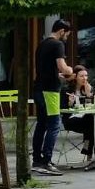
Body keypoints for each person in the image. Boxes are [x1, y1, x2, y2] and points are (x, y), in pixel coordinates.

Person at [32, 19, 75, 175]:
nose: (66, 38)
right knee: (54, 124)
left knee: (41, 124)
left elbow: (46, 69)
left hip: (38, 88)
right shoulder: (57, 45)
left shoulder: (41, 44)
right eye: (67, 35)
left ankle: (36, 160)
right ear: (62, 31)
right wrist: (70, 70)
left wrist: (58, 75)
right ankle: (46, 161)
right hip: (50, 91)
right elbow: (63, 67)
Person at [60, 65, 95, 155]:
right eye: (82, 76)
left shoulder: (89, 88)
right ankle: (88, 151)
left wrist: (88, 95)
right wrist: (70, 104)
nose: (85, 78)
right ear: (75, 77)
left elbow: (94, 106)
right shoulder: (66, 89)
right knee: (91, 124)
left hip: (85, 118)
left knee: (92, 121)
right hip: (70, 119)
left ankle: (88, 149)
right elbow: (61, 108)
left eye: (86, 76)